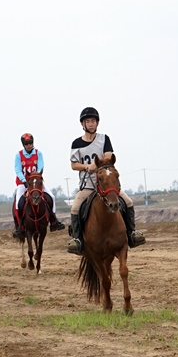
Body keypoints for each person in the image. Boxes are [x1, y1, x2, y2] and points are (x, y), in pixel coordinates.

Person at [66, 107, 145, 254]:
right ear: (82, 124)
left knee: (128, 202)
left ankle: (132, 234)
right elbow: (73, 165)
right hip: (88, 185)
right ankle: (78, 240)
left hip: (106, 183)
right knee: (75, 208)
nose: (91, 124)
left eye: (93, 121)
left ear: (97, 123)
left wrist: (95, 165)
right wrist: (86, 167)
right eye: (88, 121)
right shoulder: (76, 143)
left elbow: (108, 157)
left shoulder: (104, 139)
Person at [11, 133, 66, 238]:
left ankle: (54, 221)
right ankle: (21, 227)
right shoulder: (18, 155)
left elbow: (41, 166)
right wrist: (24, 180)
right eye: (27, 144)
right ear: (23, 144)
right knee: (18, 203)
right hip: (23, 183)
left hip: (36, 182)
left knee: (52, 198)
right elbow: (17, 169)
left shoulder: (38, 153)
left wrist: (37, 177)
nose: (29, 145)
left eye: (30, 143)